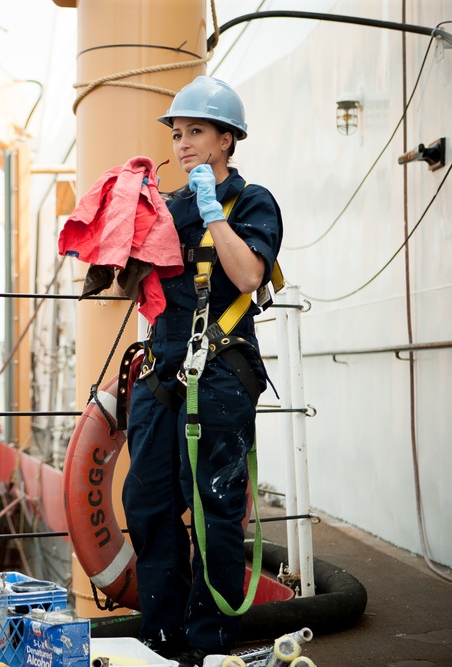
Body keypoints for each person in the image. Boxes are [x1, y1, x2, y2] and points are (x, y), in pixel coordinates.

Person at [121, 76, 283, 667]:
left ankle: (210, 638)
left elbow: (247, 277)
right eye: (177, 132)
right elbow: (129, 287)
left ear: (226, 139)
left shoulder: (253, 202)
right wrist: (128, 221)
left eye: (195, 132)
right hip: (162, 376)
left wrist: (214, 214)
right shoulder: (166, 208)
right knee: (148, 504)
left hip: (219, 374)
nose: (182, 142)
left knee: (214, 502)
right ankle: (162, 635)